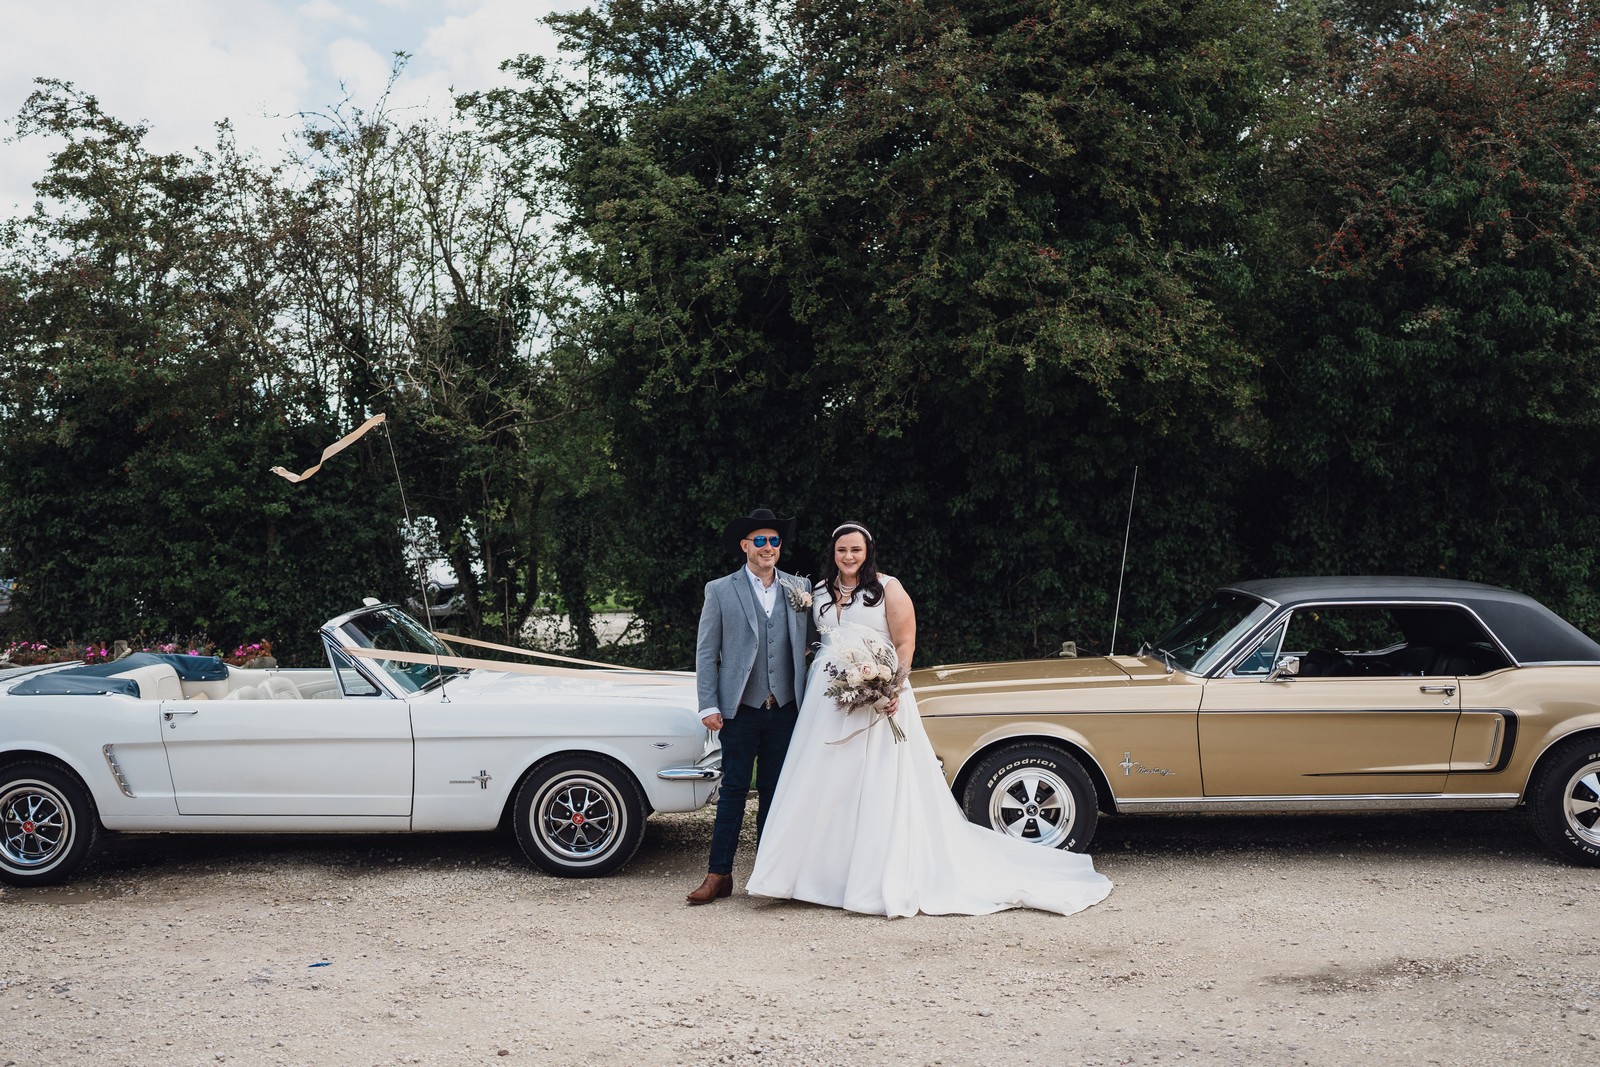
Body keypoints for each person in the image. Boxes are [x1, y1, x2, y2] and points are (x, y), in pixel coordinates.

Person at [746, 522, 1113, 917]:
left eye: (856, 550)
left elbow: (905, 643)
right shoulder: (817, 591)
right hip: (826, 698)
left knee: (875, 783)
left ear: (868, 552)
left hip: (877, 695)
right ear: (832, 554)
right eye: (841, 551)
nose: (848, 557)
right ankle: (815, 875)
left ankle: (871, 876)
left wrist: (891, 689)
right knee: (822, 782)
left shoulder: (889, 588)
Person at [685, 507, 814, 905]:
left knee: (777, 793)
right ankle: (719, 875)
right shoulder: (720, 590)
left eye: (774, 541)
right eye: (759, 541)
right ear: (745, 546)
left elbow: (815, 645)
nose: (768, 547)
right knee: (734, 791)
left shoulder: (800, 587)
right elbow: (707, 653)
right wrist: (708, 703)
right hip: (740, 707)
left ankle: (768, 876)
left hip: (787, 707)